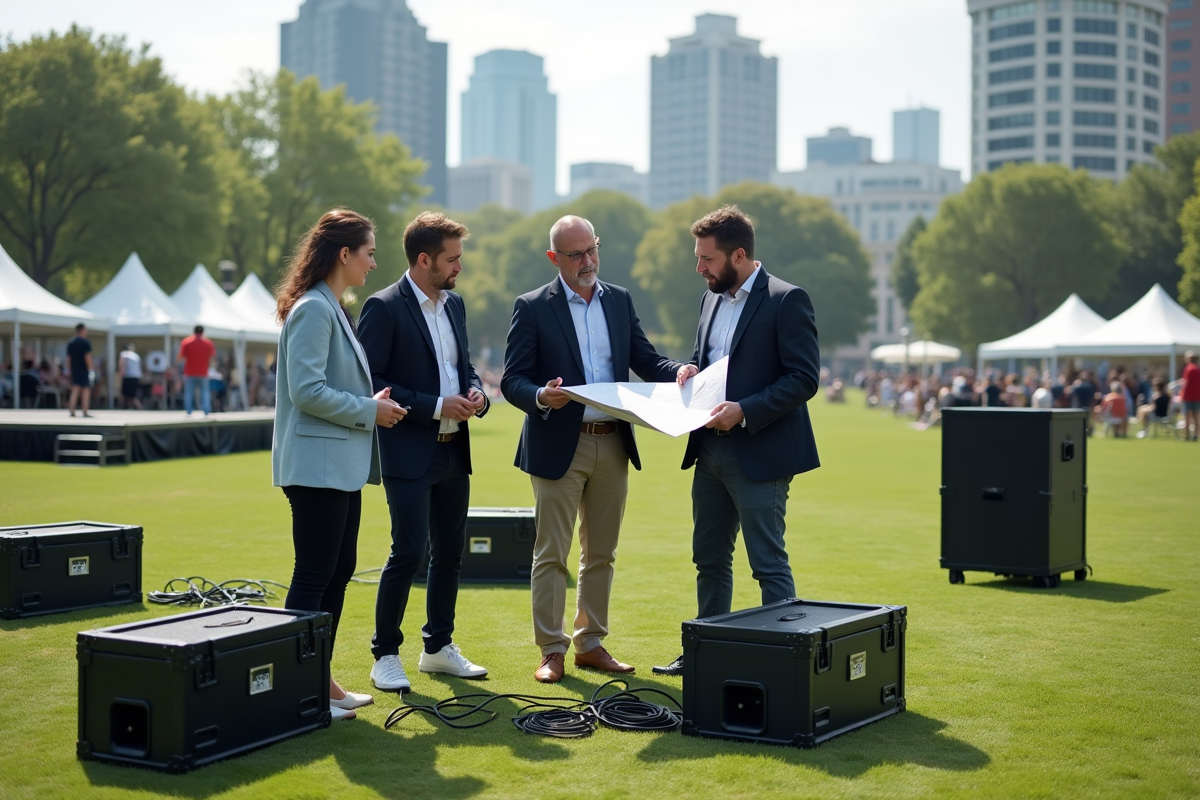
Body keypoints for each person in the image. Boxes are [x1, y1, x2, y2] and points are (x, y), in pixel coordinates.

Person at [502, 215, 689, 683]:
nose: (588, 261)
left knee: (601, 552)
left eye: (592, 249)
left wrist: (680, 371)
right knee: (552, 553)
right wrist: (541, 395)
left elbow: (645, 359)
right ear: (554, 258)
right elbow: (512, 380)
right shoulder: (531, 307)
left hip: (613, 442)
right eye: (575, 254)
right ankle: (551, 650)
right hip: (556, 445)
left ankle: (590, 643)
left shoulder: (619, 300)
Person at [655, 205, 820, 677]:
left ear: (740, 255)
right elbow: (708, 360)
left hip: (760, 451)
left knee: (767, 562)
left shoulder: (788, 300)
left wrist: (744, 411)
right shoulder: (709, 299)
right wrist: (689, 370)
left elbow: (804, 379)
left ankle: (786, 664)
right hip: (707, 451)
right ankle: (707, 654)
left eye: (706, 258)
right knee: (709, 559)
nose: (699, 268)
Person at [271, 207, 407, 721]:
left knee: (337, 570)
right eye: (369, 252)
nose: (374, 263)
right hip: (315, 467)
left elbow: (325, 386)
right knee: (315, 574)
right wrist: (369, 409)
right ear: (344, 254)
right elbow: (306, 392)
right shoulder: (313, 308)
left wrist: (369, 400)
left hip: (336, 465)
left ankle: (319, 680)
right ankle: (298, 688)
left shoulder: (331, 306)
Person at [358, 212, 490, 692]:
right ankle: (385, 654)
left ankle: (437, 648)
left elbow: (466, 367)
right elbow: (369, 383)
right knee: (409, 552)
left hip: (456, 449)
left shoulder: (453, 305)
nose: (459, 267)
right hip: (409, 452)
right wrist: (435, 405)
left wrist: (478, 393)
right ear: (424, 259)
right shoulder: (383, 306)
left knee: (450, 553)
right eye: (452, 259)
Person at [178, 325, 216, 415]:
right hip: (203, 372)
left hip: (189, 372)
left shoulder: (186, 342)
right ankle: (206, 411)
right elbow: (212, 358)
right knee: (205, 392)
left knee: (189, 393)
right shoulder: (208, 343)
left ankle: (189, 411)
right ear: (203, 332)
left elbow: (180, 357)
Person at [66, 323, 94, 417]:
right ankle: (85, 411)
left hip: (74, 369)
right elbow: (87, 357)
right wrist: (91, 369)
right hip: (83, 369)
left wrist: (69, 369)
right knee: (86, 390)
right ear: (82, 329)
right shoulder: (85, 342)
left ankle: (72, 410)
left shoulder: (71, 342)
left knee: (75, 389)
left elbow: (68, 358)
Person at [117, 344, 143, 410]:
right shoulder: (136, 356)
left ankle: (140, 407)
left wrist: (120, 374)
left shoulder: (124, 354)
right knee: (130, 394)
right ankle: (129, 407)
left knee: (128, 394)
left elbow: (122, 365)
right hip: (136, 376)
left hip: (128, 376)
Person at [1182, 351, 1200, 441]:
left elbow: (1186, 383)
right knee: (1196, 418)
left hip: (1188, 397)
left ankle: (1187, 435)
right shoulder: (1197, 369)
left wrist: (1182, 395)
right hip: (1197, 396)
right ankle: (1196, 435)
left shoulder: (1189, 369)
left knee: (1187, 417)